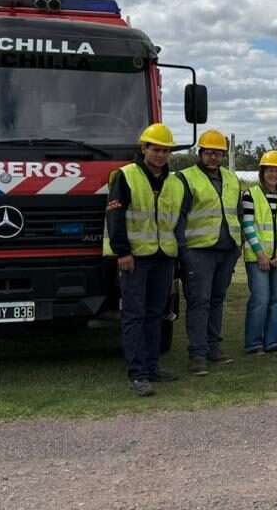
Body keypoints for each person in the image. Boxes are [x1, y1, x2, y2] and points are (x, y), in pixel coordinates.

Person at [105, 123, 185, 396]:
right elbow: (115, 217)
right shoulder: (126, 176)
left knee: (156, 315)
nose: (161, 155)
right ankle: (138, 373)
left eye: (166, 150)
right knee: (134, 315)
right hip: (135, 258)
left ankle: (152, 367)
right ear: (144, 149)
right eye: (156, 149)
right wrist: (122, 252)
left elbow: (178, 221)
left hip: (164, 256)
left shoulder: (174, 182)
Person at [177, 129, 242, 375]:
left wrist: (237, 246)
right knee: (199, 302)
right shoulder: (185, 178)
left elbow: (235, 212)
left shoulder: (231, 178)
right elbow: (179, 217)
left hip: (226, 251)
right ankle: (197, 355)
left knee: (217, 301)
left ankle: (214, 349)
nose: (214, 157)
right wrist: (183, 251)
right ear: (201, 152)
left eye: (218, 153)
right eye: (210, 153)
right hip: (198, 252)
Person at [241, 150, 277, 355]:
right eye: (269, 170)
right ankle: (254, 343)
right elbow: (248, 226)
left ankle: (273, 342)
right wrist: (260, 254)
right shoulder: (250, 195)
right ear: (262, 172)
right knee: (260, 299)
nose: (273, 175)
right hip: (257, 259)